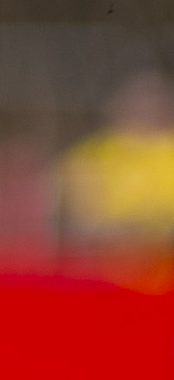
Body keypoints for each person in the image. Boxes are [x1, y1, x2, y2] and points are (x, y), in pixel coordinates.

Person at [56, 64, 174, 247]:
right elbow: (81, 224)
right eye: (138, 96)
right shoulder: (87, 158)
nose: (145, 106)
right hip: (108, 261)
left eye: (154, 97)